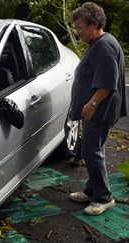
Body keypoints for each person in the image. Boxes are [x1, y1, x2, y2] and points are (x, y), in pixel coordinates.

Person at [69, 2, 127, 215]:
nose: (77, 33)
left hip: (99, 110)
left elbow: (107, 84)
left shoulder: (104, 46)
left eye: (80, 28)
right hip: (96, 109)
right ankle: (92, 189)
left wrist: (91, 104)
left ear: (94, 24)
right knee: (94, 150)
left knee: (91, 152)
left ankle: (104, 197)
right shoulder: (99, 43)